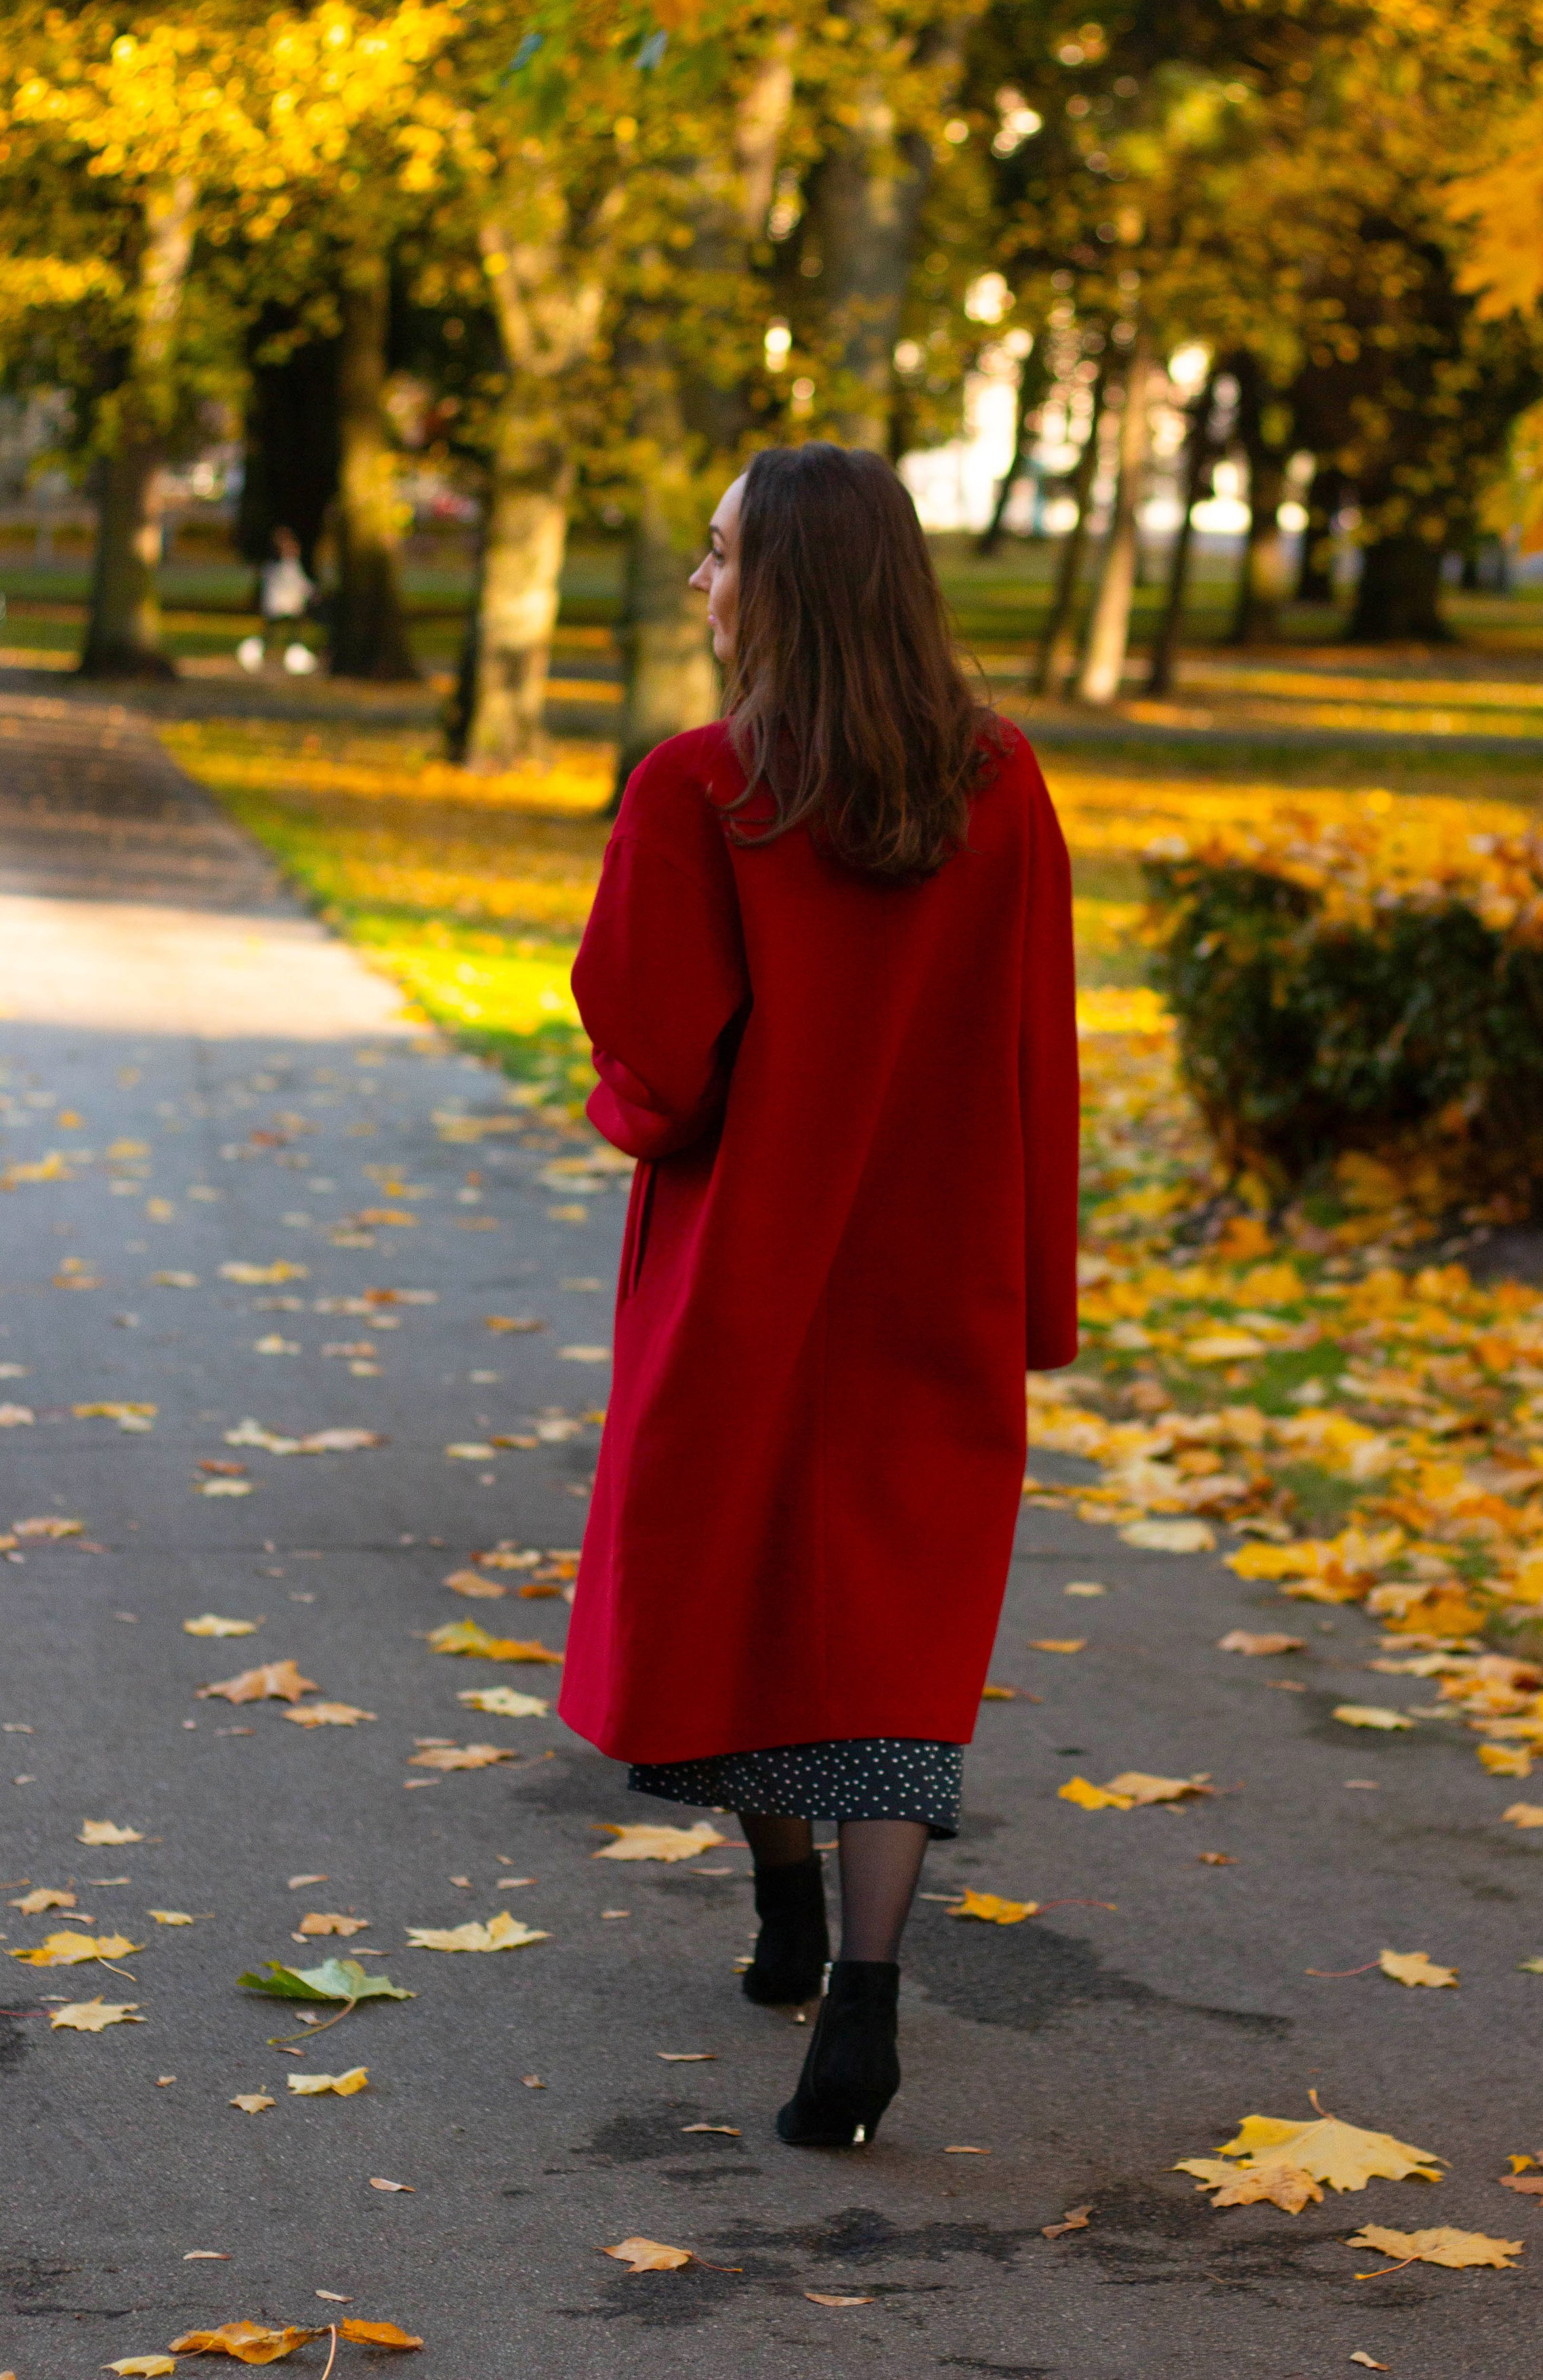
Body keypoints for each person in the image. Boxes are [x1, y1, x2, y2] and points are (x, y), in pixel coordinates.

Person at [560, 443, 1078, 2148]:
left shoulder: (702, 786)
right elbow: (1034, 1052)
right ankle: (852, 1975)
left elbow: (663, 1061)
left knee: (734, 1583)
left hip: (750, 1270)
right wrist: (1035, 1296)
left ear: (784, 581)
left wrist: (620, 1109)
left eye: (718, 557)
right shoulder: (999, 784)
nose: (699, 584)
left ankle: (785, 1897)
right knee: (891, 1625)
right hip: (938, 1267)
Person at [237, 526, 316, 673]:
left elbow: (298, 583)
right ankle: (258, 657)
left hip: (284, 605)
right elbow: (298, 583)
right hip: (283, 605)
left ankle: (292, 662)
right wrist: (311, 592)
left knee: (286, 634)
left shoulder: (282, 565)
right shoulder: (282, 566)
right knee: (276, 635)